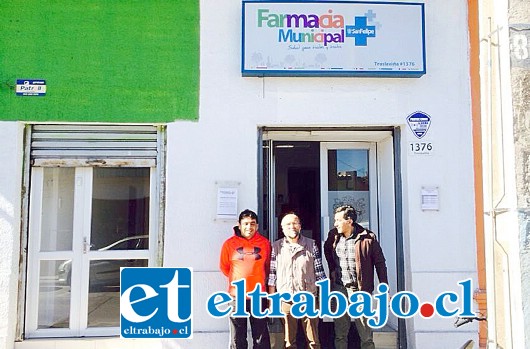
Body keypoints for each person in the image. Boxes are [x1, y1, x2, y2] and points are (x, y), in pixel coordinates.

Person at [323, 205, 389, 349]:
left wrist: (385, 287)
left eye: (338, 220)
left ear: (349, 221)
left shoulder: (367, 238)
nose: (335, 224)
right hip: (339, 289)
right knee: (340, 332)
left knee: (365, 333)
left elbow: (380, 263)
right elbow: (327, 251)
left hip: (359, 290)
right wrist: (332, 270)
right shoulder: (333, 235)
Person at [268, 212, 326, 349]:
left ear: (300, 226)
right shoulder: (276, 247)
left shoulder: (311, 245)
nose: (292, 226)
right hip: (286, 299)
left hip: (308, 298)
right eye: (288, 224)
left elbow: (320, 274)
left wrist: (323, 299)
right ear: (282, 228)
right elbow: (272, 276)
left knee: (313, 341)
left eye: (295, 223)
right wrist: (272, 302)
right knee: (289, 341)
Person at [219, 209, 271, 349]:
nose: (249, 227)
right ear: (239, 225)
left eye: (253, 224)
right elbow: (224, 267)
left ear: (257, 226)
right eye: (246, 224)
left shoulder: (265, 243)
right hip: (237, 296)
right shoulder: (229, 244)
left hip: (258, 295)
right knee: (237, 337)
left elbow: (268, 268)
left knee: (260, 336)